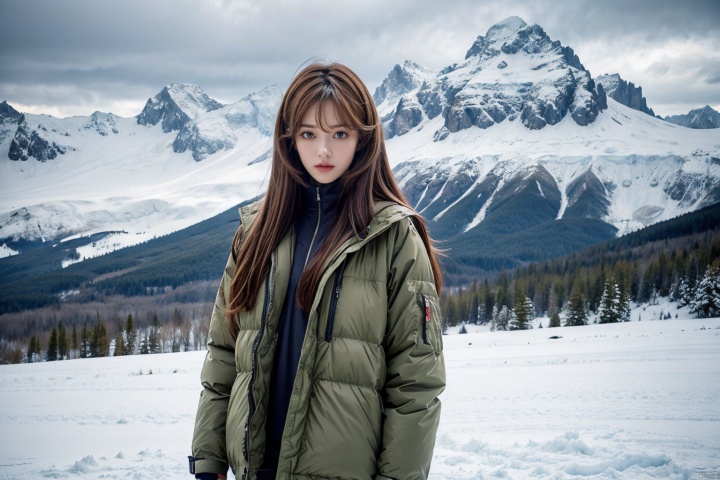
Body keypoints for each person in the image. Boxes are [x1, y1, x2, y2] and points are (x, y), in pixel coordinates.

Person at [189, 61, 445, 480]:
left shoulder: (394, 239)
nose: (323, 150)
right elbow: (223, 354)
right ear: (289, 139)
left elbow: (417, 384)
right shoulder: (255, 232)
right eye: (309, 134)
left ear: (363, 139)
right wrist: (209, 457)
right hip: (256, 467)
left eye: (339, 134)